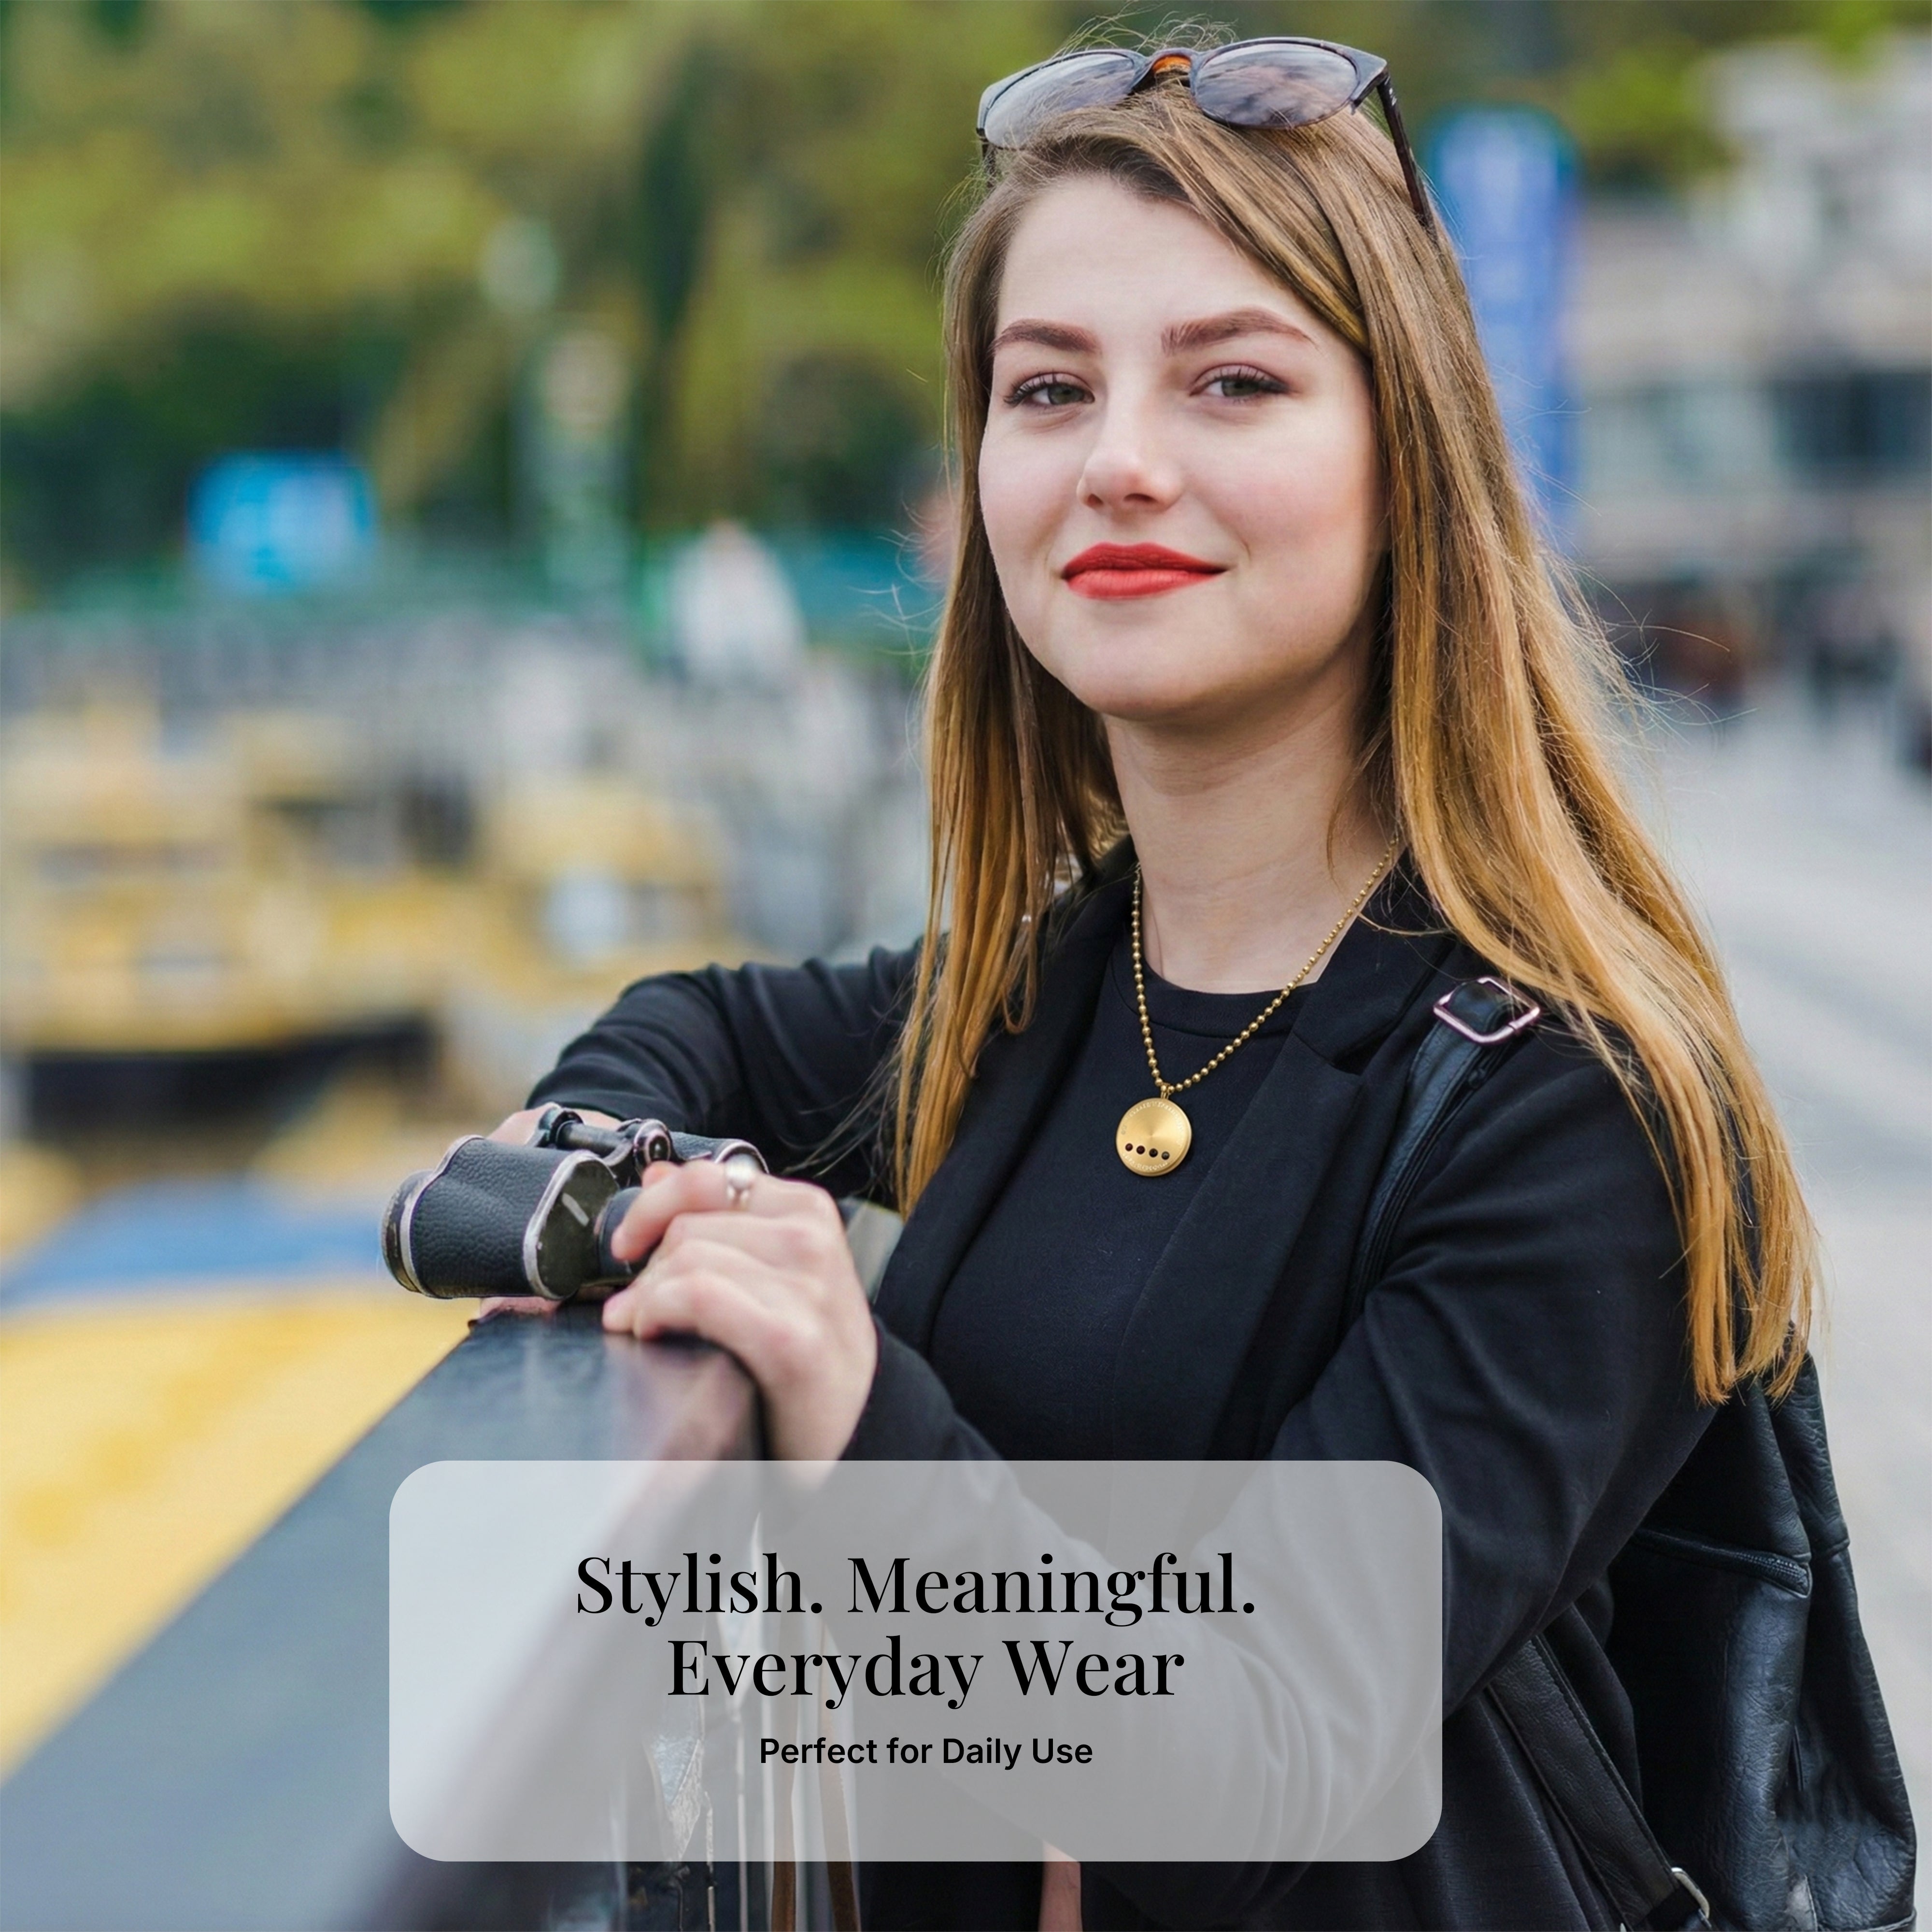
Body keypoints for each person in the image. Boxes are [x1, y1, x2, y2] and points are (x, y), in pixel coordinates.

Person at [495, 36, 1817, 1929]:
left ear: (1406, 457)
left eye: (1235, 381)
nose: (1119, 459)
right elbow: (692, 1027)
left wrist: (851, 1392)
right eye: (1048, 389)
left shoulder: (1572, 1100)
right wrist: (624, 1204)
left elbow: (1234, 1761)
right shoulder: (1048, 986)